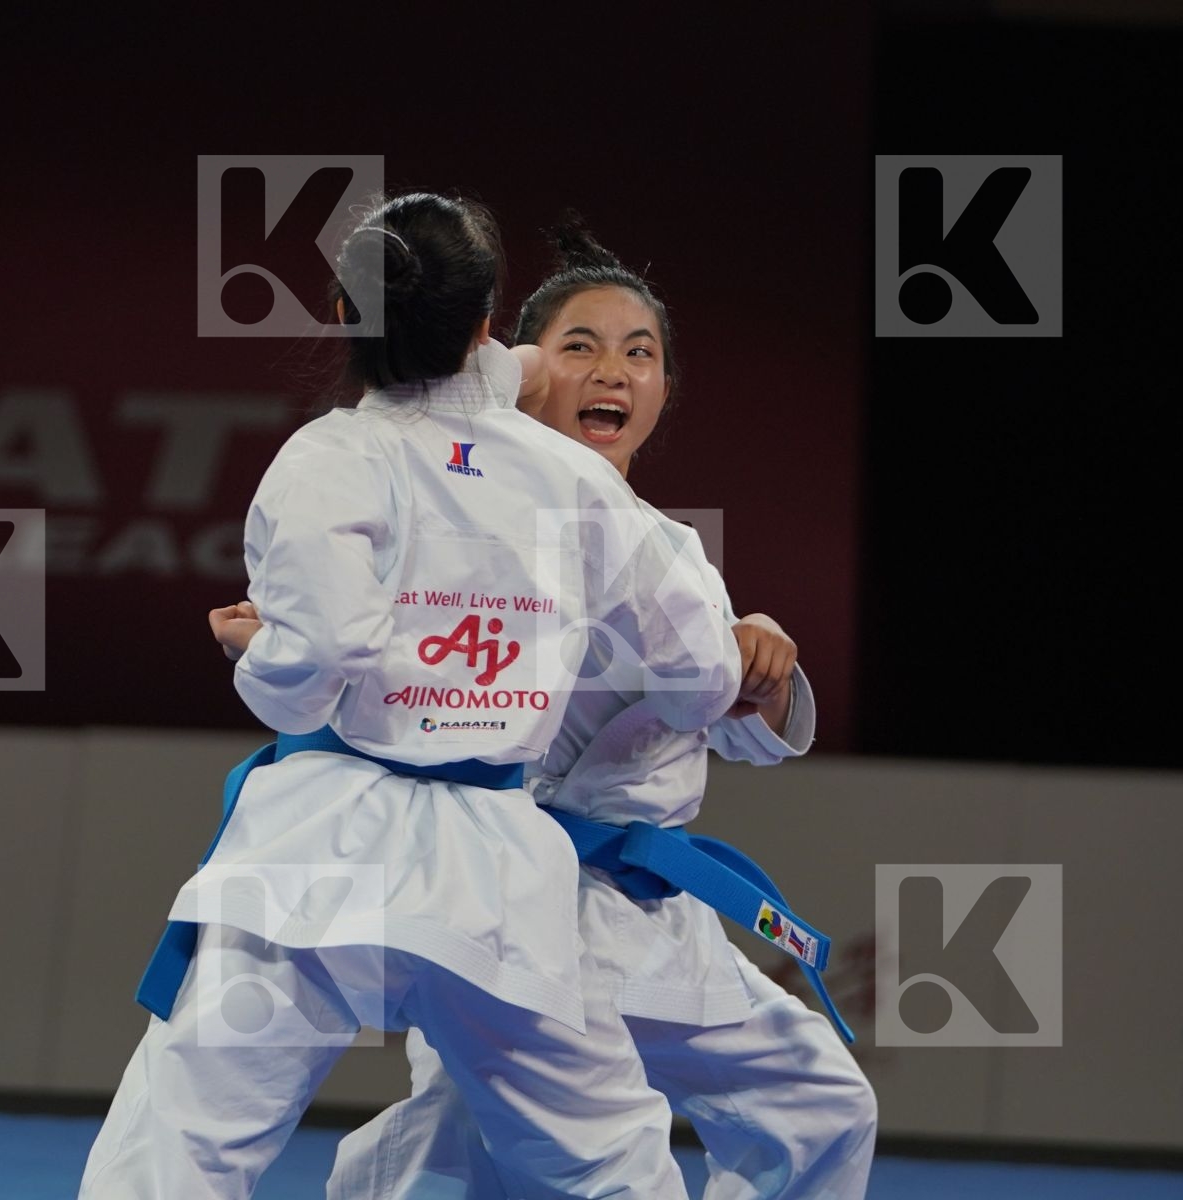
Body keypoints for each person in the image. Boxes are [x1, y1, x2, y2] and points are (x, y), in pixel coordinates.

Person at [77, 193, 741, 1200]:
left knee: (184, 1139)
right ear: (488, 323)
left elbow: (312, 675)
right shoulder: (573, 479)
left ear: (345, 314)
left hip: (320, 848)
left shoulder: (330, 457)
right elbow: (700, 674)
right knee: (610, 1164)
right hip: (496, 869)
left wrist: (256, 652)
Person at [325, 223, 878, 1200]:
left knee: (821, 1109)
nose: (612, 370)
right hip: (514, 908)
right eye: (579, 346)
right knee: (514, 1160)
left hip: (650, 917)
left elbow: (725, 729)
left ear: (664, 391)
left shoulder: (668, 551)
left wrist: (762, 668)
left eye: (640, 353)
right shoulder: (462, 517)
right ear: (522, 372)